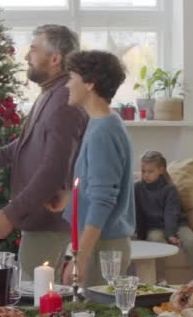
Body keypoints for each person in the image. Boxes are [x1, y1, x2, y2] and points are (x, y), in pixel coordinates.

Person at [0, 25, 88, 280]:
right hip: (40, 222)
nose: (26, 56)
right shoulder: (51, 94)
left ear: (55, 58)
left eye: (33, 49)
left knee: (39, 300)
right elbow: (29, 143)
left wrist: (10, 213)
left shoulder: (63, 101)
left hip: (50, 225)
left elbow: (54, 170)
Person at [57, 50, 135, 286]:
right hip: (98, 241)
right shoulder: (102, 123)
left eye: (72, 77)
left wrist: (80, 257)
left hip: (102, 246)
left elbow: (103, 199)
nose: (67, 85)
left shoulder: (103, 131)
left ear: (90, 83)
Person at [135, 150, 193, 283]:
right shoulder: (137, 188)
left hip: (177, 224)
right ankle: (160, 281)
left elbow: (171, 213)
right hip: (154, 227)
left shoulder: (170, 189)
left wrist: (170, 234)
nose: (146, 175)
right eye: (143, 171)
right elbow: (137, 213)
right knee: (155, 240)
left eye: (150, 171)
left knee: (191, 242)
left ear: (161, 170)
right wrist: (139, 235)